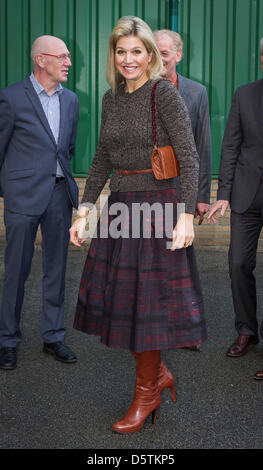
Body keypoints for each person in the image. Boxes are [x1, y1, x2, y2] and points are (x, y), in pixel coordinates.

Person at [70, 16, 207, 434]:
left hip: (158, 209)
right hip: (121, 209)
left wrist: (186, 215)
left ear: (150, 54)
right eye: (121, 51)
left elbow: (188, 156)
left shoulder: (162, 94)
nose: (128, 59)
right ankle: (158, 373)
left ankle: (146, 393)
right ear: (113, 54)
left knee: (146, 309)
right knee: (124, 304)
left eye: (137, 51)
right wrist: (85, 209)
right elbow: (100, 160)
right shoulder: (112, 98)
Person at [0, 35, 79, 370]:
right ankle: (7, 339)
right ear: (41, 60)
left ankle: (53, 336)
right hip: (22, 197)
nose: (68, 63)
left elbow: (67, 148)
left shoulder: (72, 100)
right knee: (16, 270)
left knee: (56, 270)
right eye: (62, 57)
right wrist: (10, 191)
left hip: (59, 195)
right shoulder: (11, 98)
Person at [208, 38, 263, 380]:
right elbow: (231, 145)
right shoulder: (245, 94)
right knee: (239, 262)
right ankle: (247, 329)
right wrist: (223, 193)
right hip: (246, 195)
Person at [153, 29, 212, 225]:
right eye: (153, 52)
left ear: (178, 55)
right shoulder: (135, 90)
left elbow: (202, 146)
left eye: (164, 53)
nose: (158, 58)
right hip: (144, 189)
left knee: (177, 250)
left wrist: (202, 196)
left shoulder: (197, 93)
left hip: (181, 189)